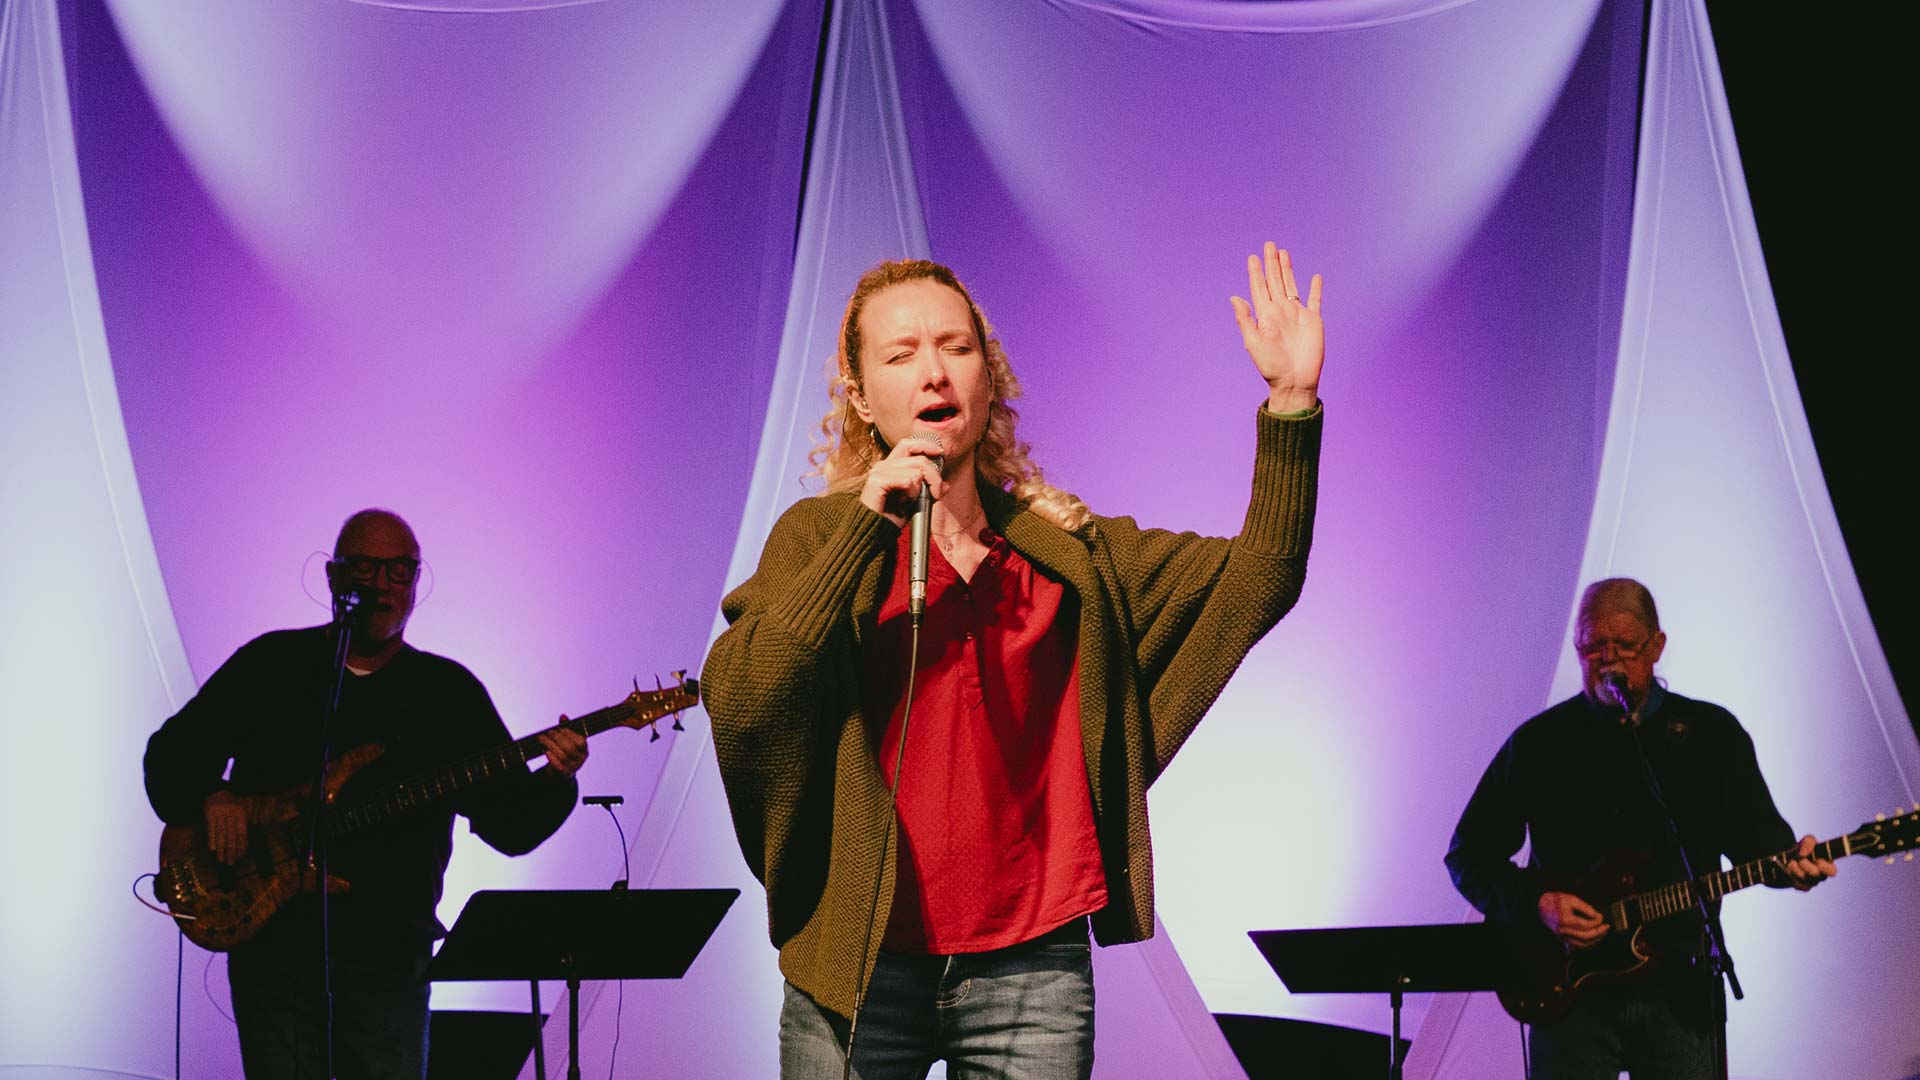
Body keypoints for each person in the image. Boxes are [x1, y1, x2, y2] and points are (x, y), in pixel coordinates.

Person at [702, 243, 1325, 1078]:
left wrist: (1291, 402)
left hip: (1032, 970)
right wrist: (863, 529)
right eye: (901, 354)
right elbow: (743, 697)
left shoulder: (1064, 551)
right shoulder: (816, 540)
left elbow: (1261, 578)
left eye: (956, 347)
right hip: (860, 966)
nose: (934, 372)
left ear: (987, 378)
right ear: (860, 395)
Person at [143, 509, 587, 1080]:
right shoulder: (271, 664)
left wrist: (556, 779)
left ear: (416, 581)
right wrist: (213, 794)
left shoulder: (446, 693)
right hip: (275, 954)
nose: (382, 585)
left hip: (389, 961)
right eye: (365, 568)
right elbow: (168, 757)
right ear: (333, 577)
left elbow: (510, 826)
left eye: (400, 570)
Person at [1445, 577, 1836, 1080]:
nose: (1608, 661)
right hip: (1569, 996)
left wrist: (1794, 866)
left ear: (1656, 646)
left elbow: (1758, 843)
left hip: (1680, 992)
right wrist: (1537, 902)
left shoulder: (1710, 735)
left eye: (1625, 646)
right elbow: (1468, 854)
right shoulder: (1539, 743)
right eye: (1592, 647)